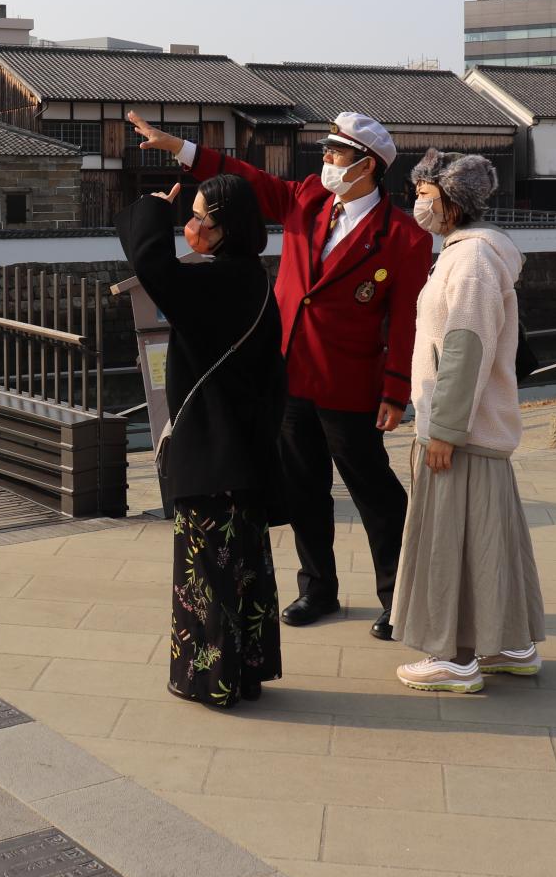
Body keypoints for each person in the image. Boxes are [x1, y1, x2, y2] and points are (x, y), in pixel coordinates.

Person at [131, 110, 432, 639]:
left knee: (375, 494)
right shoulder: (308, 199)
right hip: (289, 374)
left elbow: (405, 317)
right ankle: (318, 587)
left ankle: (398, 595)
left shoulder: (402, 235)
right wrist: (177, 146)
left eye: (336, 154)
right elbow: (244, 178)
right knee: (303, 489)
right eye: (326, 152)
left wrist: (395, 390)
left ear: (367, 166)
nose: (326, 161)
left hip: (350, 381)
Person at [116, 173, 286, 708]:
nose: (189, 226)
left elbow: (153, 268)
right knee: (245, 570)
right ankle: (247, 672)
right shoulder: (253, 279)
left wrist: (150, 209)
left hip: (211, 454)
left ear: (223, 229)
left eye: (197, 218)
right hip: (246, 452)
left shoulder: (213, 285)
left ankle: (210, 681)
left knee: (205, 572)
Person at [393, 149, 545, 693]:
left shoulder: (471, 260)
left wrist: (444, 431)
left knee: (449, 545)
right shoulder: (472, 254)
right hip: (480, 431)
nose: (418, 204)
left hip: (461, 432)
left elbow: (465, 347)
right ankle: (510, 644)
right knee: (490, 542)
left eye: (425, 195)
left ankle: (453, 657)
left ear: (452, 203)